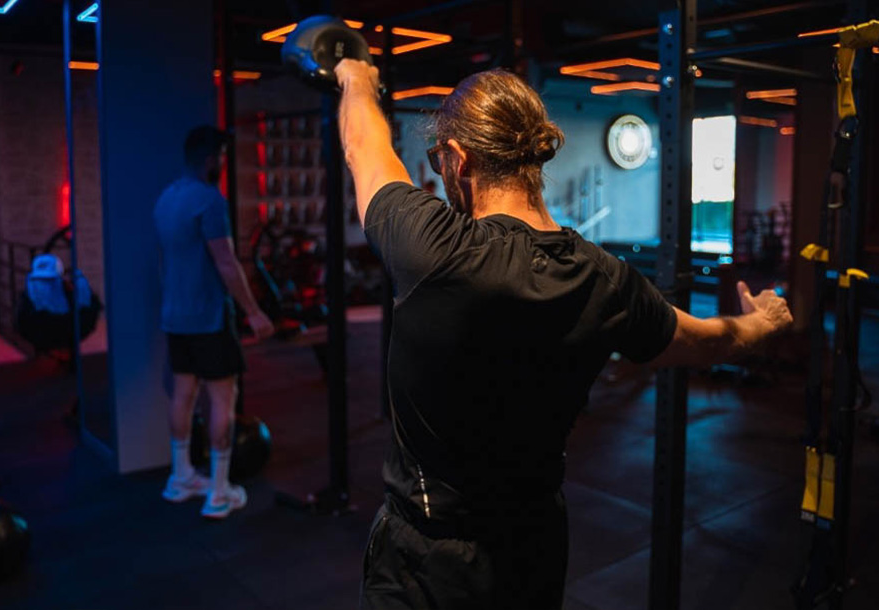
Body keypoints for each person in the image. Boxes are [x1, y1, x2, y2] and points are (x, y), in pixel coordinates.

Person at [334, 60, 793, 609]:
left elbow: (363, 145)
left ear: (458, 159)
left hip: (428, 562)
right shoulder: (605, 281)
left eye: (439, 159)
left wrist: (356, 77)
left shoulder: (433, 248)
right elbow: (705, 341)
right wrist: (764, 322)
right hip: (533, 548)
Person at [154, 125, 274, 519]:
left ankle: (181, 477)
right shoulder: (209, 200)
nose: (222, 163)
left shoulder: (167, 198)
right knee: (222, 399)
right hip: (208, 318)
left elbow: (168, 259)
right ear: (211, 160)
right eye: (221, 157)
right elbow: (225, 262)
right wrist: (253, 311)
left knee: (183, 396)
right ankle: (219, 493)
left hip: (175, 317)